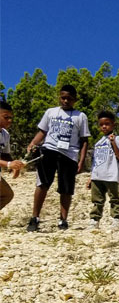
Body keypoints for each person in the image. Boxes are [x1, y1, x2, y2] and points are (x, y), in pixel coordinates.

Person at [26, 84, 90, 231]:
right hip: (49, 149)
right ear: (59, 97)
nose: (66, 101)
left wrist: (81, 160)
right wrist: (33, 143)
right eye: (63, 98)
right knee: (42, 183)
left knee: (66, 188)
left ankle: (63, 220)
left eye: (69, 99)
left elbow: (84, 139)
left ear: (75, 100)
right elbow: (42, 131)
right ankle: (35, 217)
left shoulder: (80, 116)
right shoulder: (51, 112)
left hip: (69, 154)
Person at [85, 110, 119, 230]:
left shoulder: (117, 139)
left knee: (114, 198)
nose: (104, 126)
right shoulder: (98, 143)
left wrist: (113, 142)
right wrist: (91, 177)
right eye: (101, 124)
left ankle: (116, 219)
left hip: (111, 174)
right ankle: (94, 220)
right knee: (97, 199)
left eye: (107, 124)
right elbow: (96, 161)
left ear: (113, 125)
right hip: (97, 175)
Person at [0, 101, 26, 210]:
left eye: (11, 117)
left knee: (7, 195)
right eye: (6, 117)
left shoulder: (5, 134)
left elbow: (5, 154)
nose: (10, 121)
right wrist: (9, 164)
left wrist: (15, 166)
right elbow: (7, 162)